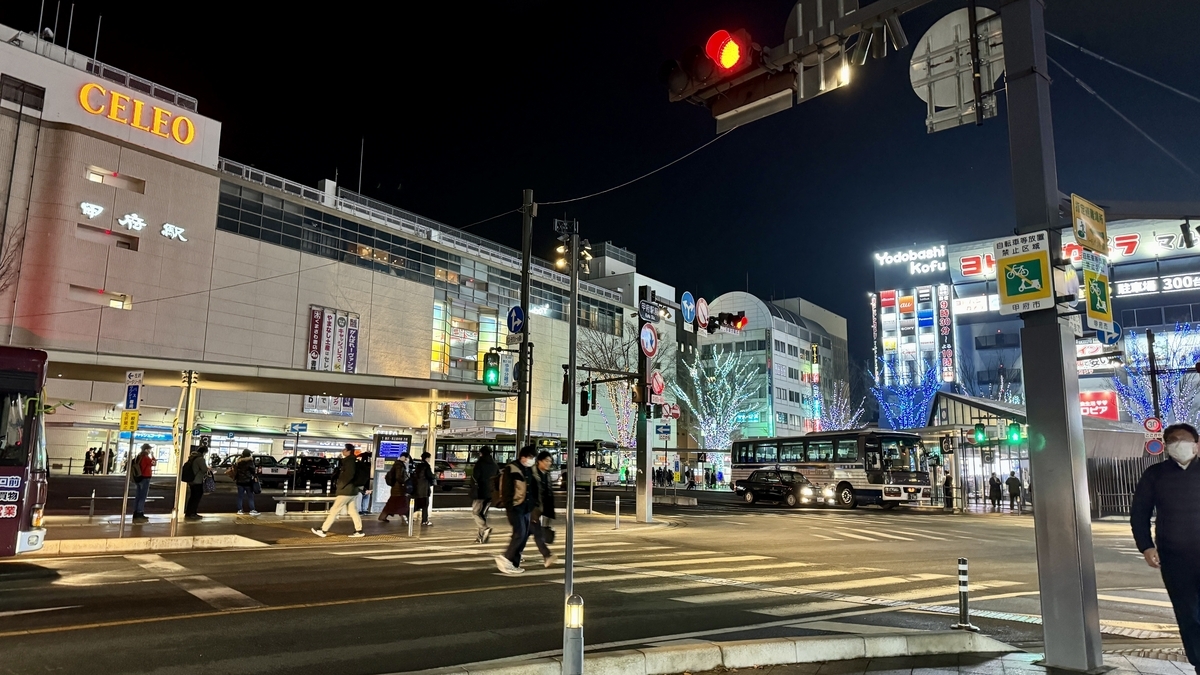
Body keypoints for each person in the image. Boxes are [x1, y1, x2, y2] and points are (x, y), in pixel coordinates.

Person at [1131, 422, 1200, 674]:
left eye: (1183, 439)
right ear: (1166, 446)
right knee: (1187, 613)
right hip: (1174, 557)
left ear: (1197, 444)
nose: (1178, 444)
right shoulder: (1155, 474)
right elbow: (1140, 512)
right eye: (1172, 440)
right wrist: (1146, 546)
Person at [494, 445, 538, 575]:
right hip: (515, 507)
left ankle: (514, 563)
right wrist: (509, 506)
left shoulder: (528, 469)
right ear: (522, 457)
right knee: (520, 533)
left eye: (533, 458)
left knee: (523, 535)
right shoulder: (511, 469)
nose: (531, 460)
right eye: (530, 457)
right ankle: (505, 558)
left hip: (526, 507)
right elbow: (506, 490)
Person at [311, 444, 365, 538]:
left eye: (344, 449)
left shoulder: (349, 461)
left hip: (346, 491)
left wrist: (341, 485)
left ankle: (323, 530)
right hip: (352, 491)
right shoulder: (354, 460)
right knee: (353, 511)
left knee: (334, 510)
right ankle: (359, 530)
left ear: (348, 451)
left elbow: (349, 475)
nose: (342, 451)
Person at [528, 450, 558, 568]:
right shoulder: (532, 474)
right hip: (533, 510)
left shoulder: (546, 474)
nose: (549, 463)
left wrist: (549, 512)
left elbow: (548, 494)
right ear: (539, 461)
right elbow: (531, 495)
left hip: (541, 509)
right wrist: (533, 512)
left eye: (550, 461)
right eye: (546, 461)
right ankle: (547, 555)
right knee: (537, 533)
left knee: (522, 534)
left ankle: (511, 556)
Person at [470, 446, 499, 543]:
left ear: (481, 453)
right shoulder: (495, 464)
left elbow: (475, 478)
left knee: (476, 513)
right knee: (482, 514)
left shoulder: (479, 463)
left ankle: (485, 528)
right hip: (491, 493)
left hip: (480, 492)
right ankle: (480, 537)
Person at [378, 453, 410, 523]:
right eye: (407, 458)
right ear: (404, 457)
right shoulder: (399, 465)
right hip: (399, 488)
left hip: (395, 488)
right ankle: (404, 519)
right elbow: (398, 477)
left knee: (392, 503)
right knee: (402, 503)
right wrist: (403, 483)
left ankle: (382, 517)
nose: (408, 460)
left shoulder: (397, 464)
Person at [131, 444, 156, 523]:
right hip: (145, 477)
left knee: (138, 495)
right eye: (149, 449)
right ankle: (140, 512)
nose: (150, 451)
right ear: (146, 450)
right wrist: (153, 456)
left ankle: (136, 512)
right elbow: (153, 463)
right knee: (143, 496)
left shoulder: (139, 456)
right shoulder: (145, 457)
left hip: (139, 477)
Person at [410, 452, 436, 526]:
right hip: (424, 489)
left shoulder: (418, 466)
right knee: (425, 505)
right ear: (427, 458)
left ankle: (408, 515)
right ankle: (424, 520)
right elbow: (430, 476)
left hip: (418, 488)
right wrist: (434, 477)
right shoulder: (426, 466)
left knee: (418, 505)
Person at [183, 447, 209, 520]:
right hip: (197, 480)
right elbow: (204, 469)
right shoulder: (200, 459)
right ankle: (193, 513)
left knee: (192, 497)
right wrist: (208, 469)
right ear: (204, 452)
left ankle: (188, 512)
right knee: (196, 498)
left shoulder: (193, 458)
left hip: (191, 480)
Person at [231, 449, 260, 516]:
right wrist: (255, 476)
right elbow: (253, 471)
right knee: (250, 496)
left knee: (240, 496)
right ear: (249, 454)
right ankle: (252, 510)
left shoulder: (238, 461)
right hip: (248, 482)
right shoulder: (250, 461)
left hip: (239, 481)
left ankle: (239, 510)